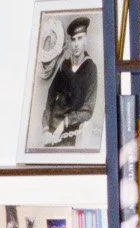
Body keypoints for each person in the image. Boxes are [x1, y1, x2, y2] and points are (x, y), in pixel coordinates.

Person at [42, 15, 98, 144]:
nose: (76, 44)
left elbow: (88, 110)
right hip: (51, 130)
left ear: (86, 40)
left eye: (80, 38)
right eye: (73, 40)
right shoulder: (64, 65)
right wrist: (45, 128)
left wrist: (64, 124)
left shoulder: (91, 68)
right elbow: (50, 97)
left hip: (68, 132)